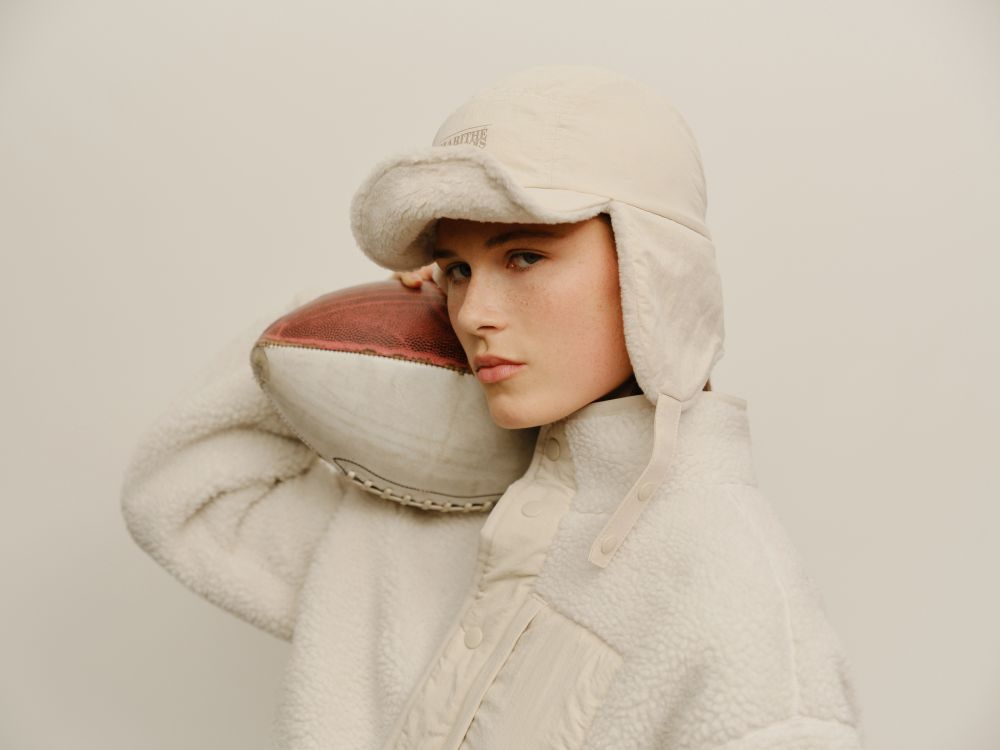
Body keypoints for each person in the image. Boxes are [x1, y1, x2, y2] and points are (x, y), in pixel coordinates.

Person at [120, 65, 866, 749]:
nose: (473, 313)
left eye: (523, 256)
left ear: (654, 269)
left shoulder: (737, 604)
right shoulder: (408, 513)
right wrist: (341, 322)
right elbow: (181, 495)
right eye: (456, 269)